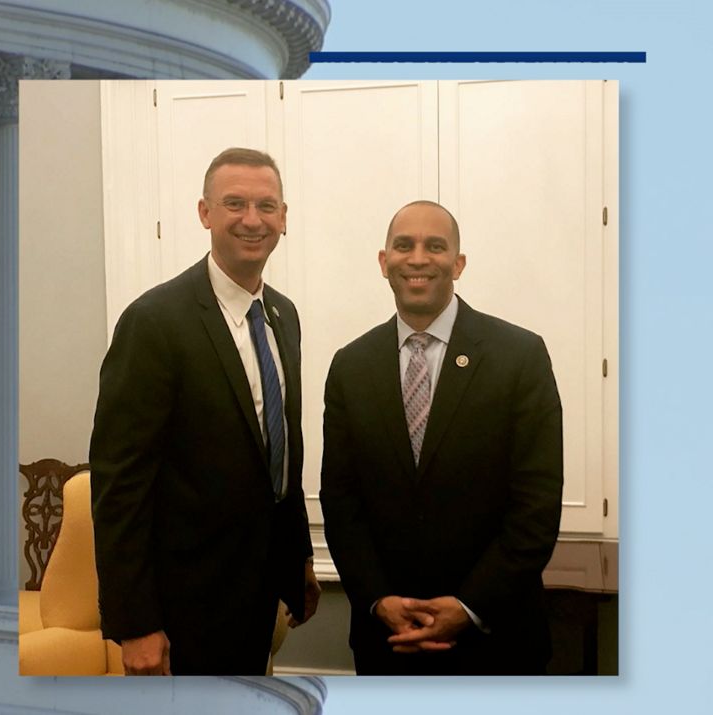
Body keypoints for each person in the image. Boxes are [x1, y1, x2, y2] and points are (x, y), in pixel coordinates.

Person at [89, 147, 320, 675]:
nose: (252, 219)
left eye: (267, 206)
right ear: (204, 213)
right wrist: (135, 623)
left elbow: (281, 452)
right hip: (181, 608)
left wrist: (299, 557)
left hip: (260, 592)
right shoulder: (154, 323)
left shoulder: (284, 316)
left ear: (284, 217)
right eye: (234, 203)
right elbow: (120, 484)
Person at [320, 200, 563, 675]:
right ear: (383, 261)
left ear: (459, 263)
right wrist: (380, 600)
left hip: (495, 641)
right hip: (388, 641)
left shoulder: (519, 356)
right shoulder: (350, 366)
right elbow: (341, 502)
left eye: (435, 246)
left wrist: (467, 606)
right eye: (403, 245)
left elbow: (535, 507)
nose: (418, 258)